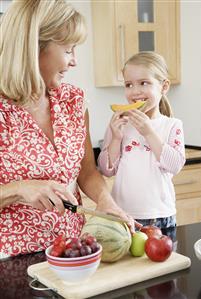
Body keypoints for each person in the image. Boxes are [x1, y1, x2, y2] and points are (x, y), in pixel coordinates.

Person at [0, 0, 135, 258]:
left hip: (73, 252)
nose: (74, 61)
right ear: (35, 47)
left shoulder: (73, 100)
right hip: (12, 259)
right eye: (69, 49)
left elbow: (87, 171)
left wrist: (104, 199)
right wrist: (20, 188)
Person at [98, 51, 186, 229]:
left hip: (160, 217)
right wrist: (115, 138)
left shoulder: (172, 125)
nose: (135, 91)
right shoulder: (120, 124)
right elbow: (106, 170)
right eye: (128, 85)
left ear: (164, 86)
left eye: (144, 83)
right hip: (122, 215)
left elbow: (175, 165)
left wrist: (149, 132)